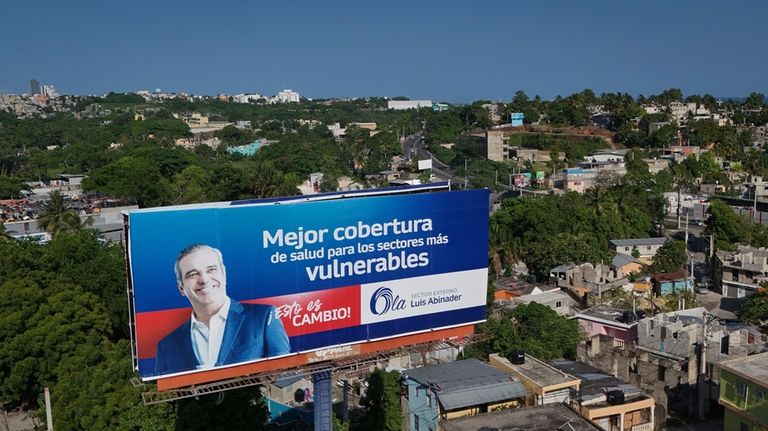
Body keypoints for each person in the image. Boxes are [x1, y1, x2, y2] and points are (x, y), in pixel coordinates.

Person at [155, 244, 290, 375]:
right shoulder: (166, 346)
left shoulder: (264, 317)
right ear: (181, 288)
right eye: (193, 274)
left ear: (224, 274)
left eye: (211, 269)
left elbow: (284, 374)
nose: (204, 280)